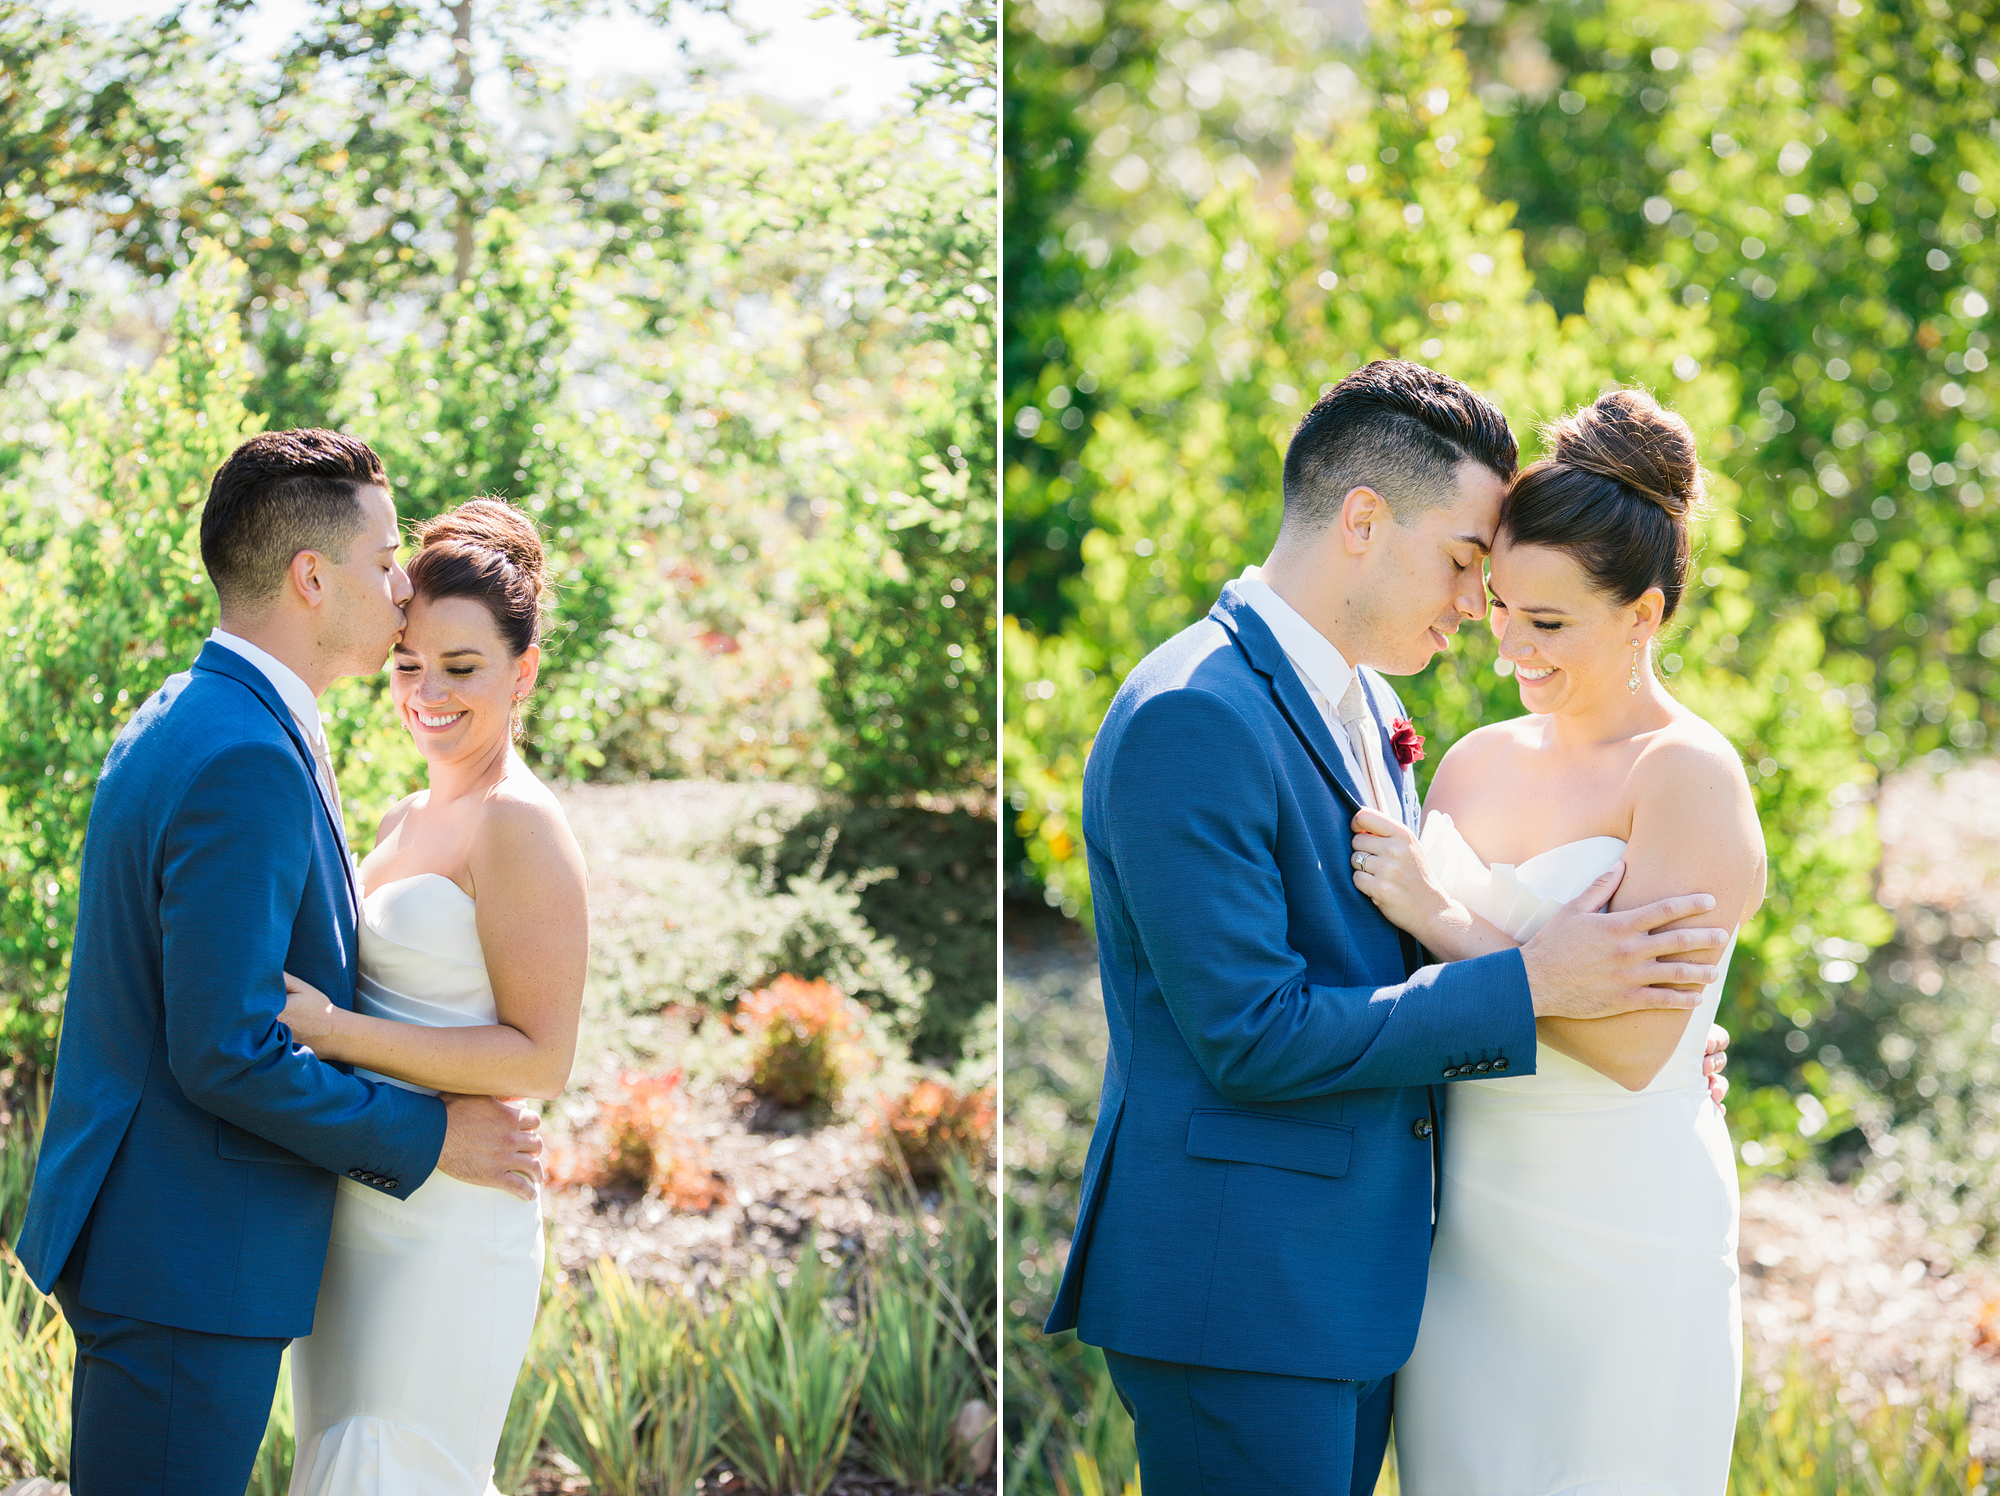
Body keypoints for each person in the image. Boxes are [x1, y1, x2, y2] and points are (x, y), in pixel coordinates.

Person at [1041, 360, 1735, 1496]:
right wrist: (1537, 984)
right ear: (1362, 518)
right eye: (1466, 560)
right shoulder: (1191, 712)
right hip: (1240, 1288)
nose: (1477, 605)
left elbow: (1399, 950)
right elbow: (1250, 1034)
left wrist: (1653, 1043)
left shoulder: (1370, 704)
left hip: (1369, 1283)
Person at [13, 431, 544, 1495]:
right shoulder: (247, 753)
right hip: (185, 1257)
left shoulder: (195, 711)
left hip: (174, 1244)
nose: (401, 588)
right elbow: (229, 1051)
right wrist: (433, 1134)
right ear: (313, 576)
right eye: (384, 557)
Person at [1351, 389, 1759, 1492]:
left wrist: (1445, 919)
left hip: (1622, 1230)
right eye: (1498, 608)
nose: (1508, 649)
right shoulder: (1472, 762)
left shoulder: (1683, 776)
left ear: (1644, 614)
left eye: (1548, 624)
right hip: (1465, 1237)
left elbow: (1631, 1051)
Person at [274, 498, 589, 1493]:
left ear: (522, 668)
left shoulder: (518, 823)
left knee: (398, 1463)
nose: (428, 692)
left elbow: (541, 1056)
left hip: (454, 1212)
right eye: (410, 664)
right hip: (362, 1197)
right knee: (337, 1456)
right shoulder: (405, 814)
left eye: (462, 667)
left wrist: (328, 1029)